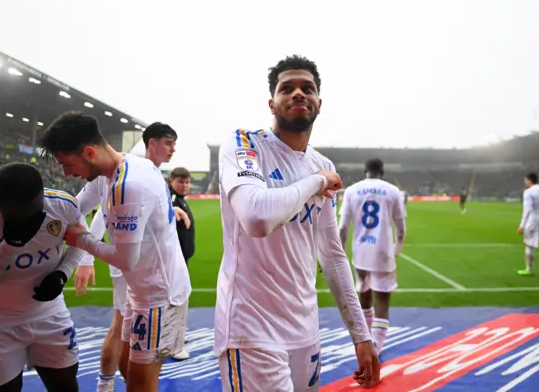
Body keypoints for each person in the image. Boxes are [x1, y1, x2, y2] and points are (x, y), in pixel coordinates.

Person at [214, 55, 380, 391]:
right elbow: (256, 218)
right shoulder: (245, 143)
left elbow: (332, 255)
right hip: (251, 328)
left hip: (305, 328)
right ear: (271, 103)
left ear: (320, 103)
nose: (298, 93)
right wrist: (317, 182)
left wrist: (361, 334)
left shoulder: (322, 162)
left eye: (308, 88)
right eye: (286, 88)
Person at [38, 112, 191, 392]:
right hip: (140, 289)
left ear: (88, 152)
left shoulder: (127, 185)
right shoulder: (113, 170)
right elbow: (73, 208)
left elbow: (124, 259)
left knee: (141, 384)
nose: (67, 173)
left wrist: (81, 240)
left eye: (67, 164)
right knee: (126, 368)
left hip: (159, 293)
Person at [0, 162, 85, 392]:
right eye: (18, 213)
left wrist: (63, 273)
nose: (30, 218)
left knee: (66, 387)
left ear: (42, 193)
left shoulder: (63, 205)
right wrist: (9, 247)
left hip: (50, 314)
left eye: (35, 209)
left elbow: (80, 242)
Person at [338, 158, 407, 356]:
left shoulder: (351, 191)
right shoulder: (393, 191)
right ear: (382, 171)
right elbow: (401, 230)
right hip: (383, 253)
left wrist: (341, 253)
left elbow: (342, 227)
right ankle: (375, 347)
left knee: (364, 293)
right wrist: (396, 251)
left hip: (360, 252)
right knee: (382, 301)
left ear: (365, 170)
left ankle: (366, 338)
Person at [168, 167, 195, 265]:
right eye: (180, 182)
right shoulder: (172, 200)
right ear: (171, 181)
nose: (184, 186)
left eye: (187, 182)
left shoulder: (180, 199)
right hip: (175, 257)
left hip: (181, 255)